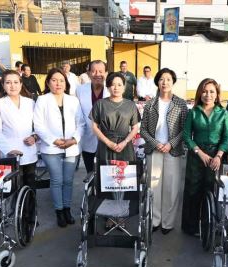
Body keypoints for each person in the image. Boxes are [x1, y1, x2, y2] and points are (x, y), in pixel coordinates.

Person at [140, 68, 188, 235]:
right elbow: (143, 129)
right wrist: (155, 143)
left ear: (173, 82)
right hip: (154, 150)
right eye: (161, 79)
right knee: (153, 186)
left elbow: (185, 130)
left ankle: (167, 223)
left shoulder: (181, 104)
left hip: (172, 151)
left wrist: (171, 144)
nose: (165, 82)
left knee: (171, 187)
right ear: (157, 82)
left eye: (168, 79)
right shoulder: (150, 104)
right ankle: (155, 220)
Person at [181, 78, 228, 236]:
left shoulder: (223, 113)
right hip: (196, 156)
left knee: (212, 191)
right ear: (199, 93)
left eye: (211, 91)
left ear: (217, 94)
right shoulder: (193, 112)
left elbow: (226, 137)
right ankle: (191, 227)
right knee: (193, 191)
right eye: (204, 91)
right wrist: (199, 152)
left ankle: (211, 226)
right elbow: (186, 136)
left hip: (216, 157)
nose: (207, 95)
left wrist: (218, 156)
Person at [34, 68, 83, 228]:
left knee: (68, 180)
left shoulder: (73, 100)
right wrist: (53, 140)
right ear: (48, 83)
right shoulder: (42, 100)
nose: (58, 83)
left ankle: (67, 209)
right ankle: (59, 211)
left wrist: (74, 139)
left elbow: (81, 123)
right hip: (51, 148)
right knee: (57, 180)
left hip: (70, 147)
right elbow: (38, 125)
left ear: (66, 83)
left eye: (61, 80)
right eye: (54, 80)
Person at [90, 72, 140, 230]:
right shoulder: (100, 104)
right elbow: (94, 127)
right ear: (108, 86)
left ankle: (122, 214)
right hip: (106, 146)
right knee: (107, 181)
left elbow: (135, 127)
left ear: (124, 87)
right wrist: (107, 142)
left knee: (124, 181)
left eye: (119, 84)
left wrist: (125, 142)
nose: (116, 87)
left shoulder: (131, 105)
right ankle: (109, 215)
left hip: (125, 147)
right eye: (113, 84)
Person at [0, 70, 37, 189]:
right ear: (3, 85)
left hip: (29, 151)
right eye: (8, 82)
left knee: (30, 186)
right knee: (13, 187)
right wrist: (8, 150)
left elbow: (38, 126)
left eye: (16, 82)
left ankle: (31, 208)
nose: (13, 86)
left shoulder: (30, 102)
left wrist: (34, 137)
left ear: (21, 84)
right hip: (10, 152)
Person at [75, 60, 109, 173]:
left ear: (106, 73)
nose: (97, 74)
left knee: (105, 176)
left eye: (101, 71)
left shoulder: (111, 90)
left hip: (107, 141)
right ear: (88, 73)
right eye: (94, 71)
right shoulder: (80, 90)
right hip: (87, 139)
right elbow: (78, 114)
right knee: (90, 173)